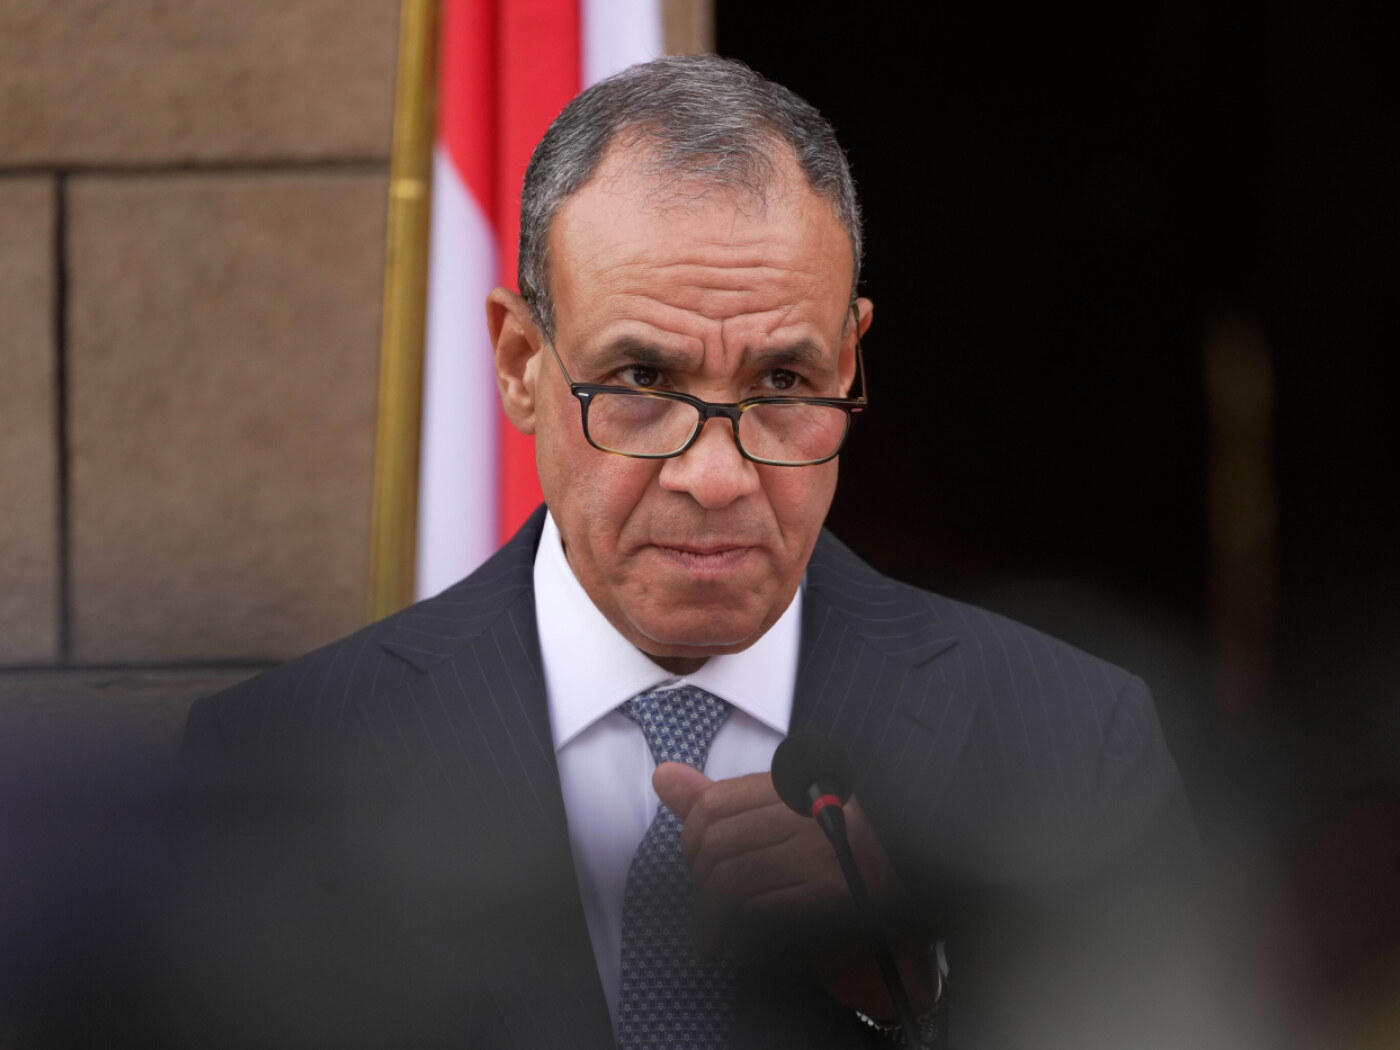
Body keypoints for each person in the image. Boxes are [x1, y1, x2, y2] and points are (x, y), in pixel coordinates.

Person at [178, 55, 1200, 1050]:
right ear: (520, 364)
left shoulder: (1070, 742)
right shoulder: (277, 768)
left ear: (849, 362)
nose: (715, 477)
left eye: (783, 384)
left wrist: (909, 994)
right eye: (640, 380)